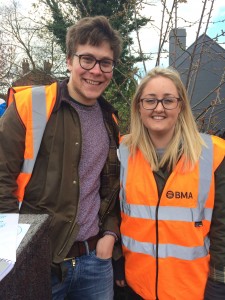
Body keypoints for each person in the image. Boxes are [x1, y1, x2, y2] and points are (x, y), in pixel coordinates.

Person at [0, 16, 123, 300]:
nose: (96, 70)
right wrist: (10, 250)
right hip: (37, 263)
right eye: (87, 59)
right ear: (69, 61)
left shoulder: (110, 120)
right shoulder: (31, 105)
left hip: (95, 262)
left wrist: (110, 234)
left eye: (106, 62)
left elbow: (111, 189)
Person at [118, 66, 225, 299]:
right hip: (136, 289)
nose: (159, 108)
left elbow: (222, 230)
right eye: (150, 100)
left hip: (193, 291)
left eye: (168, 100)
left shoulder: (213, 154)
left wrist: (219, 284)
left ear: (181, 106)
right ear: (139, 106)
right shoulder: (122, 152)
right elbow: (115, 215)